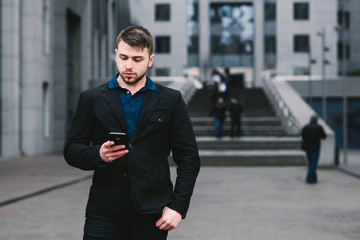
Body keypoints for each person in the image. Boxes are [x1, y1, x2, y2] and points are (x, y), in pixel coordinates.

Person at [63, 25, 200, 240]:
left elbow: (189, 158)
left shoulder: (170, 100)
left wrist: (178, 207)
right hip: (104, 211)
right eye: (124, 57)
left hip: (153, 212)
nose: (128, 65)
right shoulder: (91, 98)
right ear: (116, 55)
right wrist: (98, 154)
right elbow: (71, 150)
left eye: (137, 59)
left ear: (150, 60)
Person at [301, 115, 327, 184]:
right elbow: (324, 136)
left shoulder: (306, 127)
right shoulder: (318, 127)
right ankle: (309, 178)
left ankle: (314, 178)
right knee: (313, 164)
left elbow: (303, 136)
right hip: (315, 148)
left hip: (307, 148)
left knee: (311, 163)